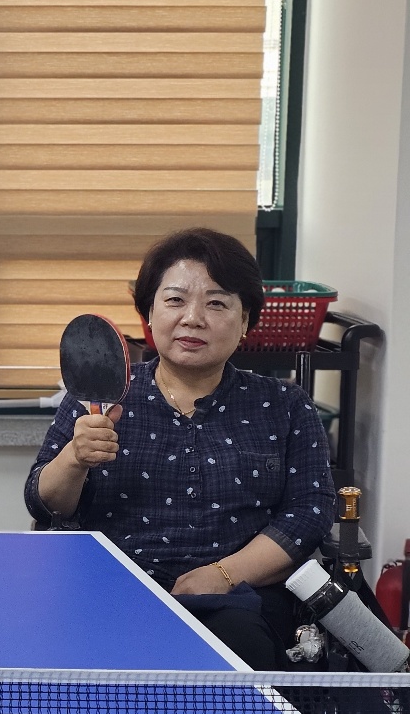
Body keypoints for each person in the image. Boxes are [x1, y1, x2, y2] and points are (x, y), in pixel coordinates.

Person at [24, 227, 335, 671]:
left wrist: (223, 575)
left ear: (245, 322)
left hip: (241, 600)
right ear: (149, 313)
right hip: (112, 591)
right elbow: (42, 502)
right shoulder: (97, 398)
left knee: (237, 650)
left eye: (217, 303)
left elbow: (309, 513)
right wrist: (74, 458)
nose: (193, 318)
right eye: (175, 300)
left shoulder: (284, 404)